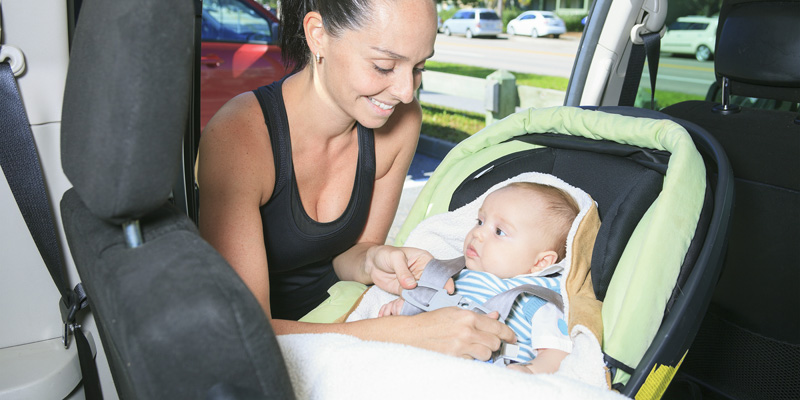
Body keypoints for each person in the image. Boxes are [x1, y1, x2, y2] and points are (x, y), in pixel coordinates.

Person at [196, 0, 515, 361]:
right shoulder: (239, 137)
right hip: (268, 349)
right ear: (318, 36)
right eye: (384, 66)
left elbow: (353, 253)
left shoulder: (401, 123)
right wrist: (403, 335)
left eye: (419, 67)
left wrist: (372, 260)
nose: (406, 92)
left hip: (348, 315)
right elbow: (242, 332)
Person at [379, 182, 581, 374]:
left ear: (541, 262)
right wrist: (404, 308)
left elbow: (557, 352)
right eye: (480, 221)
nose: (478, 233)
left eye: (499, 231)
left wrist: (531, 371)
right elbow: (428, 310)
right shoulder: (456, 276)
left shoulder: (536, 301)